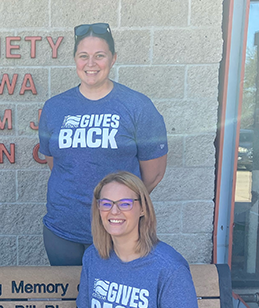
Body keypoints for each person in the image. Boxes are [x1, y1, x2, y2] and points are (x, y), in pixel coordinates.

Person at [38, 23, 168, 266]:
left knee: (111, 300)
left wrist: (119, 210)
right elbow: (55, 164)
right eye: (83, 56)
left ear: (113, 58)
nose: (91, 63)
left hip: (117, 233)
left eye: (100, 56)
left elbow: (153, 174)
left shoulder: (138, 106)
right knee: (68, 303)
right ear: (75, 60)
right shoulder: (54, 108)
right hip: (63, 231)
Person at [77, 171, 199, 308]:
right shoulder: (93, 258)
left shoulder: (169, 268)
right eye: (106, 203)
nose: (113, 211)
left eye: (124, 203)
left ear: (143, 208)